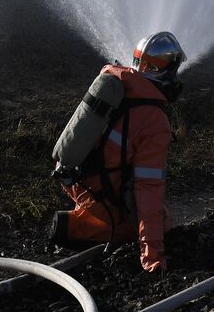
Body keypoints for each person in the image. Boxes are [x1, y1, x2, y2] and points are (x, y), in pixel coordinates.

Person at [50, 31, 185, 273]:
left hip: (77, 180)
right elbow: (148, 188)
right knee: (164, 223)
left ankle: (85, 218)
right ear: (166, 71)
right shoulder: (154, 120)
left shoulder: (119, 86)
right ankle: (73, 227)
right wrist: (151, 254)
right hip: (98, 193)